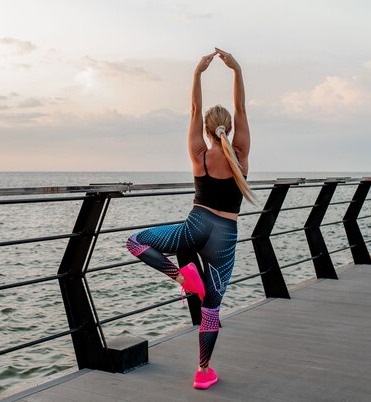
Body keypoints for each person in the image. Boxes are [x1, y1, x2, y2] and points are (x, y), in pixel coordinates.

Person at [126, 47, 255, 390]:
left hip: (195, 226)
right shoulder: (240, 154)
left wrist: (198, 73)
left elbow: (195, 109)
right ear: (228, 128)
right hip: (225, 236)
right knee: (211, 310)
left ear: (209, 130)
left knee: (134, 241)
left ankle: (182, 278)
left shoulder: (199, 154)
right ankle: (202, 371)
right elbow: (241, 108)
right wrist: (236, 70)